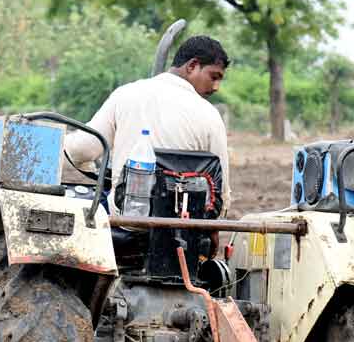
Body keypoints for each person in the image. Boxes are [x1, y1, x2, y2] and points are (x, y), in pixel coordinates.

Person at [64, 35, 232, 215]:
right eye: (214, 77)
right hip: (181, 226)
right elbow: (219, 186)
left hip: (125, 218)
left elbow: (82, 149)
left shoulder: (126, 94)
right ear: (192, 66)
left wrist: (63, 142)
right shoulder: (210, 115)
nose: (216, 87)